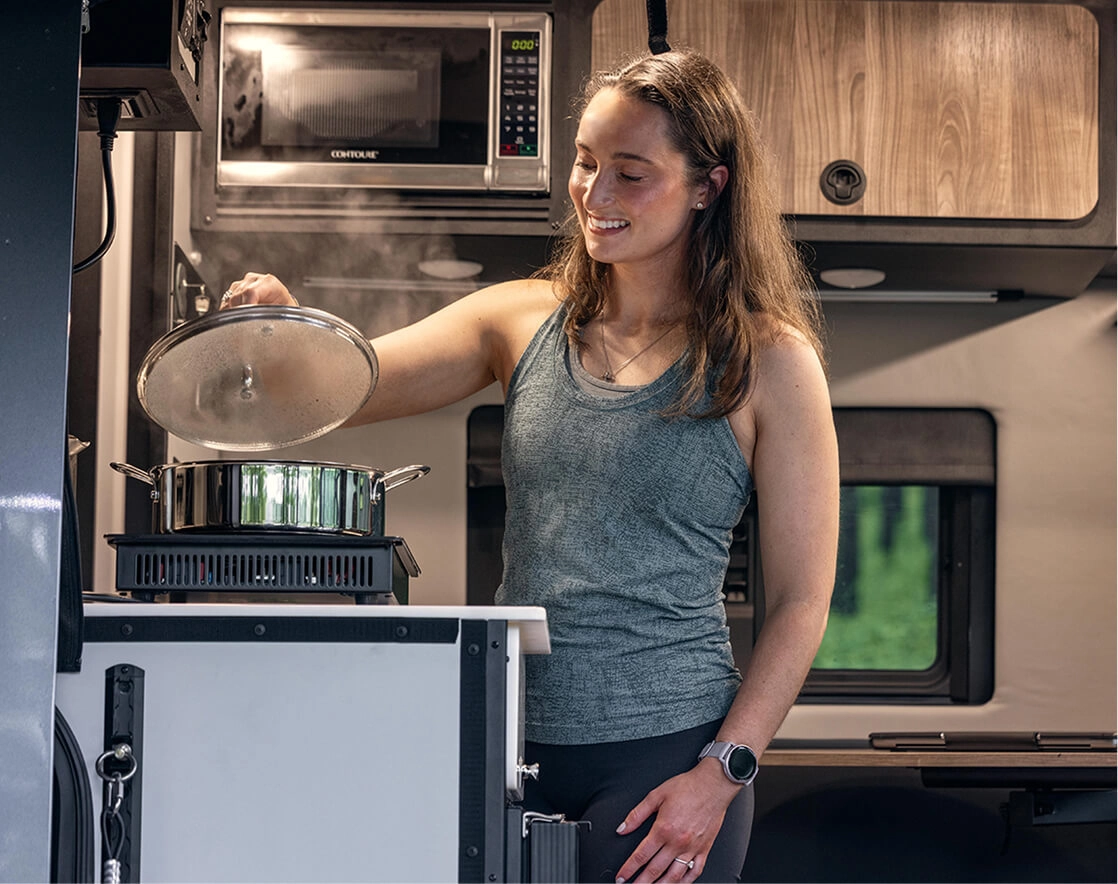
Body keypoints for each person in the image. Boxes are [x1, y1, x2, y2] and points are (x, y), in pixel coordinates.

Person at [223, 49, 838, 884]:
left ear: (708, 186)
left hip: (667, 757)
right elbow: (348, 384)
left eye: (631, 172)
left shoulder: (770, 361)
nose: (595, 194)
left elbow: (802, 602)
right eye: (586, 164)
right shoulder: (519, 320)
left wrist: (722, 772)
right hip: (508, 737)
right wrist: (279, 328)